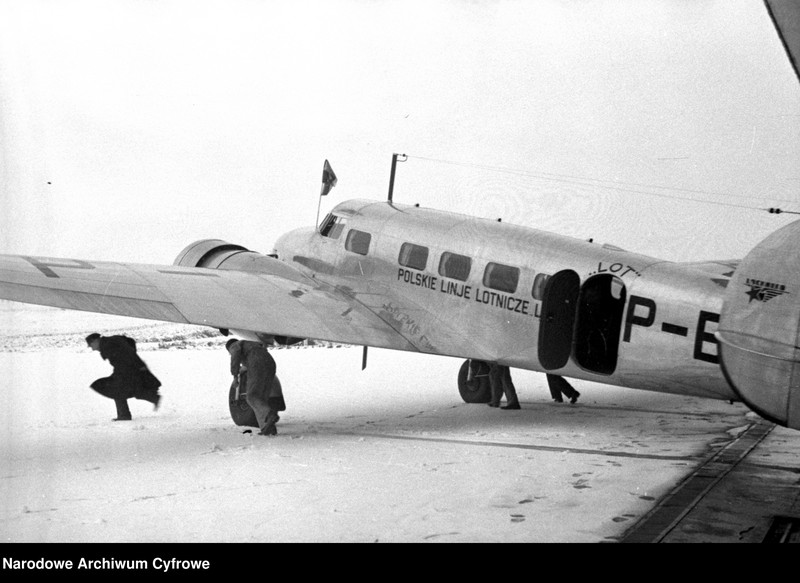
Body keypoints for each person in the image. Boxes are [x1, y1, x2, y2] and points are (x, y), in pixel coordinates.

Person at [86, 333, 162, 421]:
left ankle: (125, 415)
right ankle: (153, 398)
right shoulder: (107, 343)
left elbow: (128, 351)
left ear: (96, 341)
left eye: (91, 345)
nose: (91, 348)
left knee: (116, 389)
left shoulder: (109, 343)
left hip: (128, 368)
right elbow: (129, 342)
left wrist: (138, 365)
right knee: (120, 389)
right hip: (125, 368)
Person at [227, 338, 281, 436]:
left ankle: (269, 414)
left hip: (256, 363)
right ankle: (267, 428)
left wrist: (235, 375)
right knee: (262, 398)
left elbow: (235, 355)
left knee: (252, 397)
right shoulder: (251, 344)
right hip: (270, 362)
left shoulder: (235, 345)